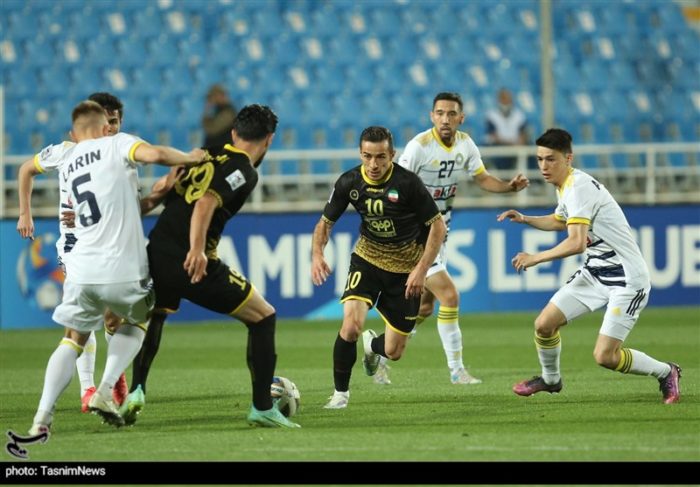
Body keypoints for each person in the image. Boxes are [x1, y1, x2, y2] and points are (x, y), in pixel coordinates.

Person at [17, 100, 204, 436]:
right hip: (121, 267)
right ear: (106, 126)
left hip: (81, 268)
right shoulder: (118, 144)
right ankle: (102, 388)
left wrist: (26, 212)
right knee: (141, 317)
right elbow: (157, 155)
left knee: (72, 339)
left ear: (75, 132)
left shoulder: (68, 156)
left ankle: (41, 419)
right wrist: (191, 158)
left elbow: (30, 170)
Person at [120, 104, 300, 428]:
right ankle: (262, 407)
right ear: (269, 140)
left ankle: (136, 391)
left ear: (233, 132)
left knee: (157, 315)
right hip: (189, 261)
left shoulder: (204, 153)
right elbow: (206, 202)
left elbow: (168, 188)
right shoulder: (244, 169)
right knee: (263, 316)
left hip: (156, 250)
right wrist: (198, 250)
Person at [496, 128, 681, 403]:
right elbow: (561, 221)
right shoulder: (567, 186)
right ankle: (550, 379)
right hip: (596, 273)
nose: (544, 166)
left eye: (551, 159)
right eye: (539, 159)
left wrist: (535, 257)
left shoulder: (579, 188)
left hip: (626, 279)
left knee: (606, 356)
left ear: (568, 158)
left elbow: (576, 243)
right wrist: (525, 218)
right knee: (544, 325)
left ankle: (666, 371)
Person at [381, 92, 529, 386]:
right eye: (439, 113)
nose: (445, 119)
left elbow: (482, 178)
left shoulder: (465, 144)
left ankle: (380, 352)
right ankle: (456, 370)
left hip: (440, 234)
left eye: (451, 114)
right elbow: (395, 187)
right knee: (450, 296)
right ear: (431, 116)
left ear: (461, 118)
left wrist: (508, 188)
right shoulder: (419, 147)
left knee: (424, 307)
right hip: (417, 235)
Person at [311, 126, 448, 409]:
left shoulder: (408, 183)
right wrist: (317, 255)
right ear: (360, 154)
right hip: (368, 259)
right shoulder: (349, 182)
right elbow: (325, 223)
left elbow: (437, 226)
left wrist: (422, 269)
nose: (373, 164)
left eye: (381, 157)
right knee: (350, 326)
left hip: (406, 270)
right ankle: (340, 395)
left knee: (394, 351)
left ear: (392, 155)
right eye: (367, 156)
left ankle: (373, 347)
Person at [485, 88, 528, 170]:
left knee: (529, 153)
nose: (506, 102)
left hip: (517, 146)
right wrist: (510, 144)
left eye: (508, 99)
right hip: (499, 146)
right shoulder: (492, 115)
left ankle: (534, 180)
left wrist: (519, 144)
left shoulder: (519, 115)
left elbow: (523, 134)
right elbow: (493, 136)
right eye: (504, 99)